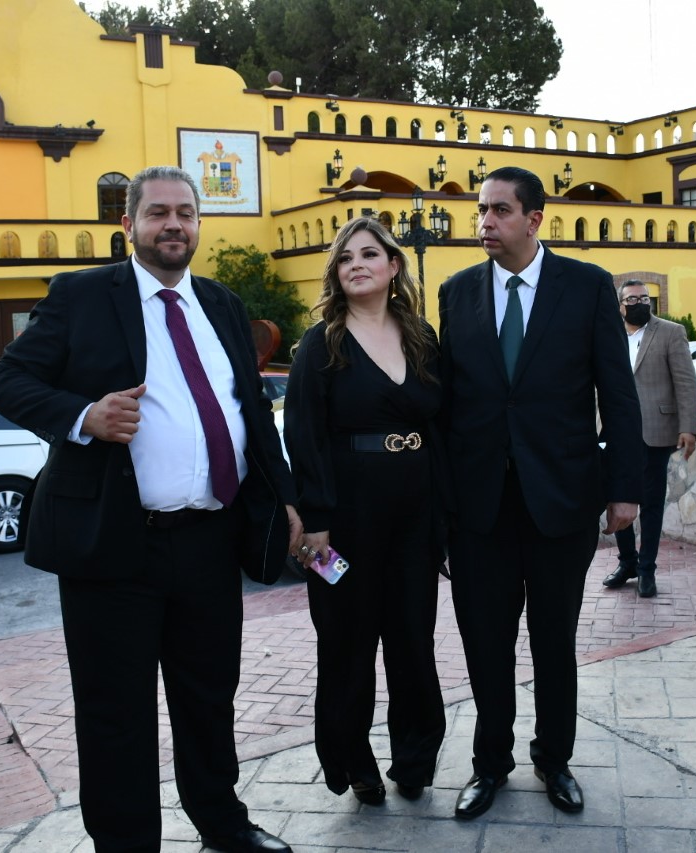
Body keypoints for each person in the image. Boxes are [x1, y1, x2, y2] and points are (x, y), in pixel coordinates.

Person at [0, 165, 300, 853]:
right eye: (158, 212)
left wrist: (285, 499)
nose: (173, 225)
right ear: (129, 224)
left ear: (198, 223)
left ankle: (222, 822)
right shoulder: (81, 295)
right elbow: (6, 382)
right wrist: (83, 416)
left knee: (208, 697)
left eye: (185, 212)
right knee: (115, 713)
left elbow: (249, 409)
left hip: (209, 541)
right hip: (114, 545)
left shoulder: (220, 303)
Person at [437, 166, 642, 819]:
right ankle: (489, 764)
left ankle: (554, 759)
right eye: (481, 210)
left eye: (499, 210)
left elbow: (618, 393)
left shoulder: (585, 286)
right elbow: (449, 405)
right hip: (479, 508)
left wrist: (625, 488)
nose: (485, 222)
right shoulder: (456, 293)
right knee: (485, 644)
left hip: (562, 499)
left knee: (554, 641)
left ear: (534, 219)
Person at [283, 217, 447, 807]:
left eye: (369, 254)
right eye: (346, 257)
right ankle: (353, 761)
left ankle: (415, 758)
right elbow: (303, 435)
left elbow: (442, 424)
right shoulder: (320, 343)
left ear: (394, 266)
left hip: (416, 515)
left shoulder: (421, 336)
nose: (357, 264)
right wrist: (316, 521)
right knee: (347, 645)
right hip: (344, 520)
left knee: (412, 640)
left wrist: (444, 513)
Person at [602, 280, 696, 597]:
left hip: (655, 431)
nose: (640, 303)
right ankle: (627, 562)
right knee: (616, 496)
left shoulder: (670, 332)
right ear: (620, 305)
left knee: (651, 504)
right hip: (615, 432)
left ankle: (647, 569)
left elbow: (686, 382)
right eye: (632, 299)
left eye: (645, 298)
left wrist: (689, 427)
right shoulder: (609, 334)